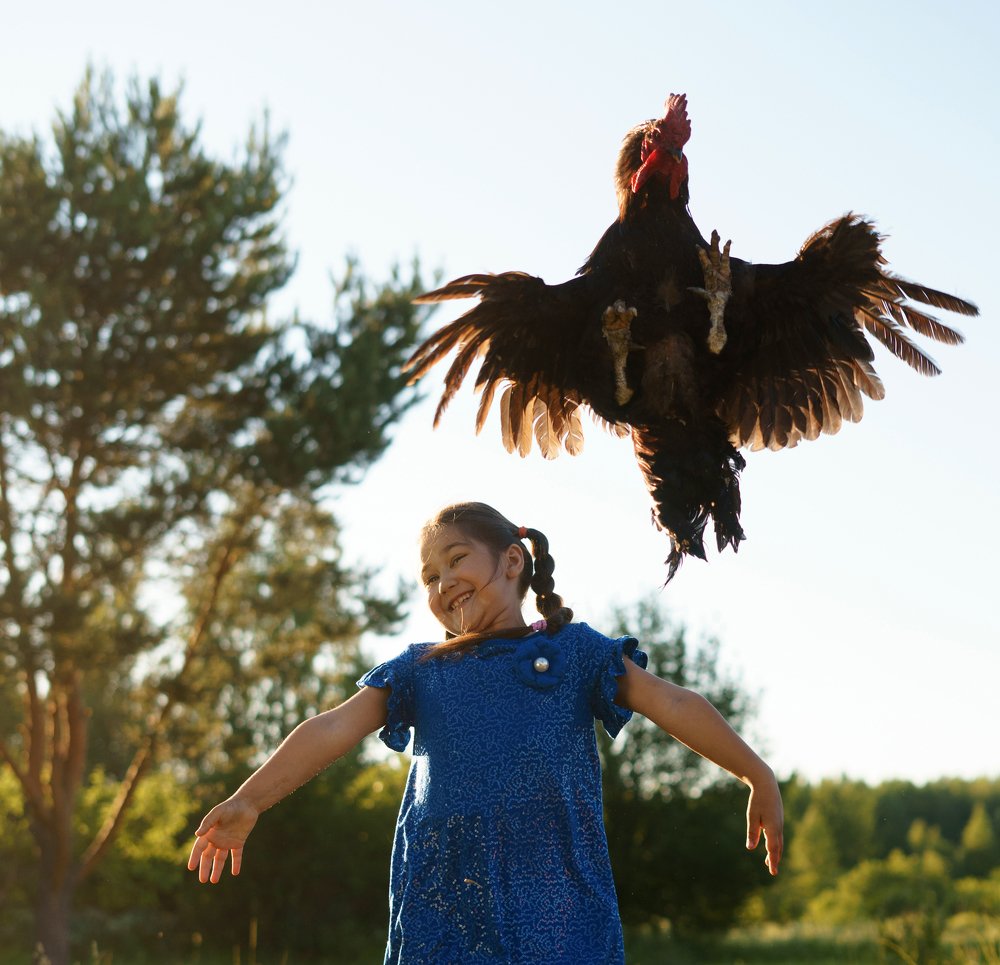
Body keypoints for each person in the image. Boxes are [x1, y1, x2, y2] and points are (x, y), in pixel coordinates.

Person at [187, 501, 783, 964]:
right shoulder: (421, 670)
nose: (442, 582)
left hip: (559, 914)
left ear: (512, 561)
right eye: (428, 575)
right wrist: (249, 801)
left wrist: (754, 773)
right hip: (444, 912)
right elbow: (332, 726)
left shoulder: (575, 652)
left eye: (455, 559)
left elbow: (673, 703)